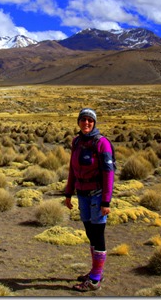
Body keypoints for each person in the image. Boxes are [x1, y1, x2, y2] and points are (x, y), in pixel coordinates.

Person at [64, 108, 115, 292]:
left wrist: (106, 201)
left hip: (97, 195)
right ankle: (95, 271)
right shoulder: (77, 142)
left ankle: (94, 280)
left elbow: (109, 174)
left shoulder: (101, 143)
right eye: (83, 120)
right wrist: (68, 193)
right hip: (82, 194)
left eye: (90, 120)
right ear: (78, 122)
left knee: (98, 234)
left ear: (94, 123)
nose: (86, 123)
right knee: (90, 233)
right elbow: (72, 169)